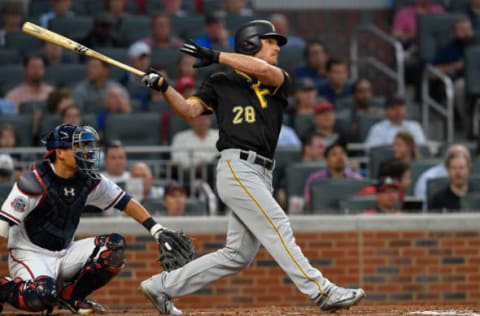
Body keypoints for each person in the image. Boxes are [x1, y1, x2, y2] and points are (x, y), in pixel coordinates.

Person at [140, 19, 365, 314]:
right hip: (237, 165)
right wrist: (165, 87)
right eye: (270, 41)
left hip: (262, 172)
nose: (276, 47)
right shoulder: (219, 81)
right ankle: (321, 290)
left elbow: (261, 70)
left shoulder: (277, 78)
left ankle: (161, 286)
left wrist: (215, 55)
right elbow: (189, 110)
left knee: (238, 254)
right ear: (250, 43)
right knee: (277, 224)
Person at [0, 123, 183, 314]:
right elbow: (2, 225)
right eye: (78, 146)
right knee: (43, 296)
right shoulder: (34, 181)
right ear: (60, 153)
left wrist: (156, 229)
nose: (85, 151)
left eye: (86, 146)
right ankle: (4, 288)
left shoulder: (89, 178)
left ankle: (72, 297)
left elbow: (126, 202)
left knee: (113, 247)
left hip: (65, 250)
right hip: (30, 253)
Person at [433, 17, 477, 134]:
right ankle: (469, 125)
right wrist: (456, 66)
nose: (466, 34)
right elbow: (432, 73)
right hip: (458, 82)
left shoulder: (477, 46)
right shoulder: (447, 50)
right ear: (454, 33)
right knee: (460, 86)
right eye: (462, 31)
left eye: (468, 30)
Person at [303, 141, 363, 207]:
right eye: (334, 154)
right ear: (327, 160)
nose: (340, 157)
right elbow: (308, 203)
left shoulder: (356, 179)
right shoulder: (315, 179)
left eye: (342, 153)